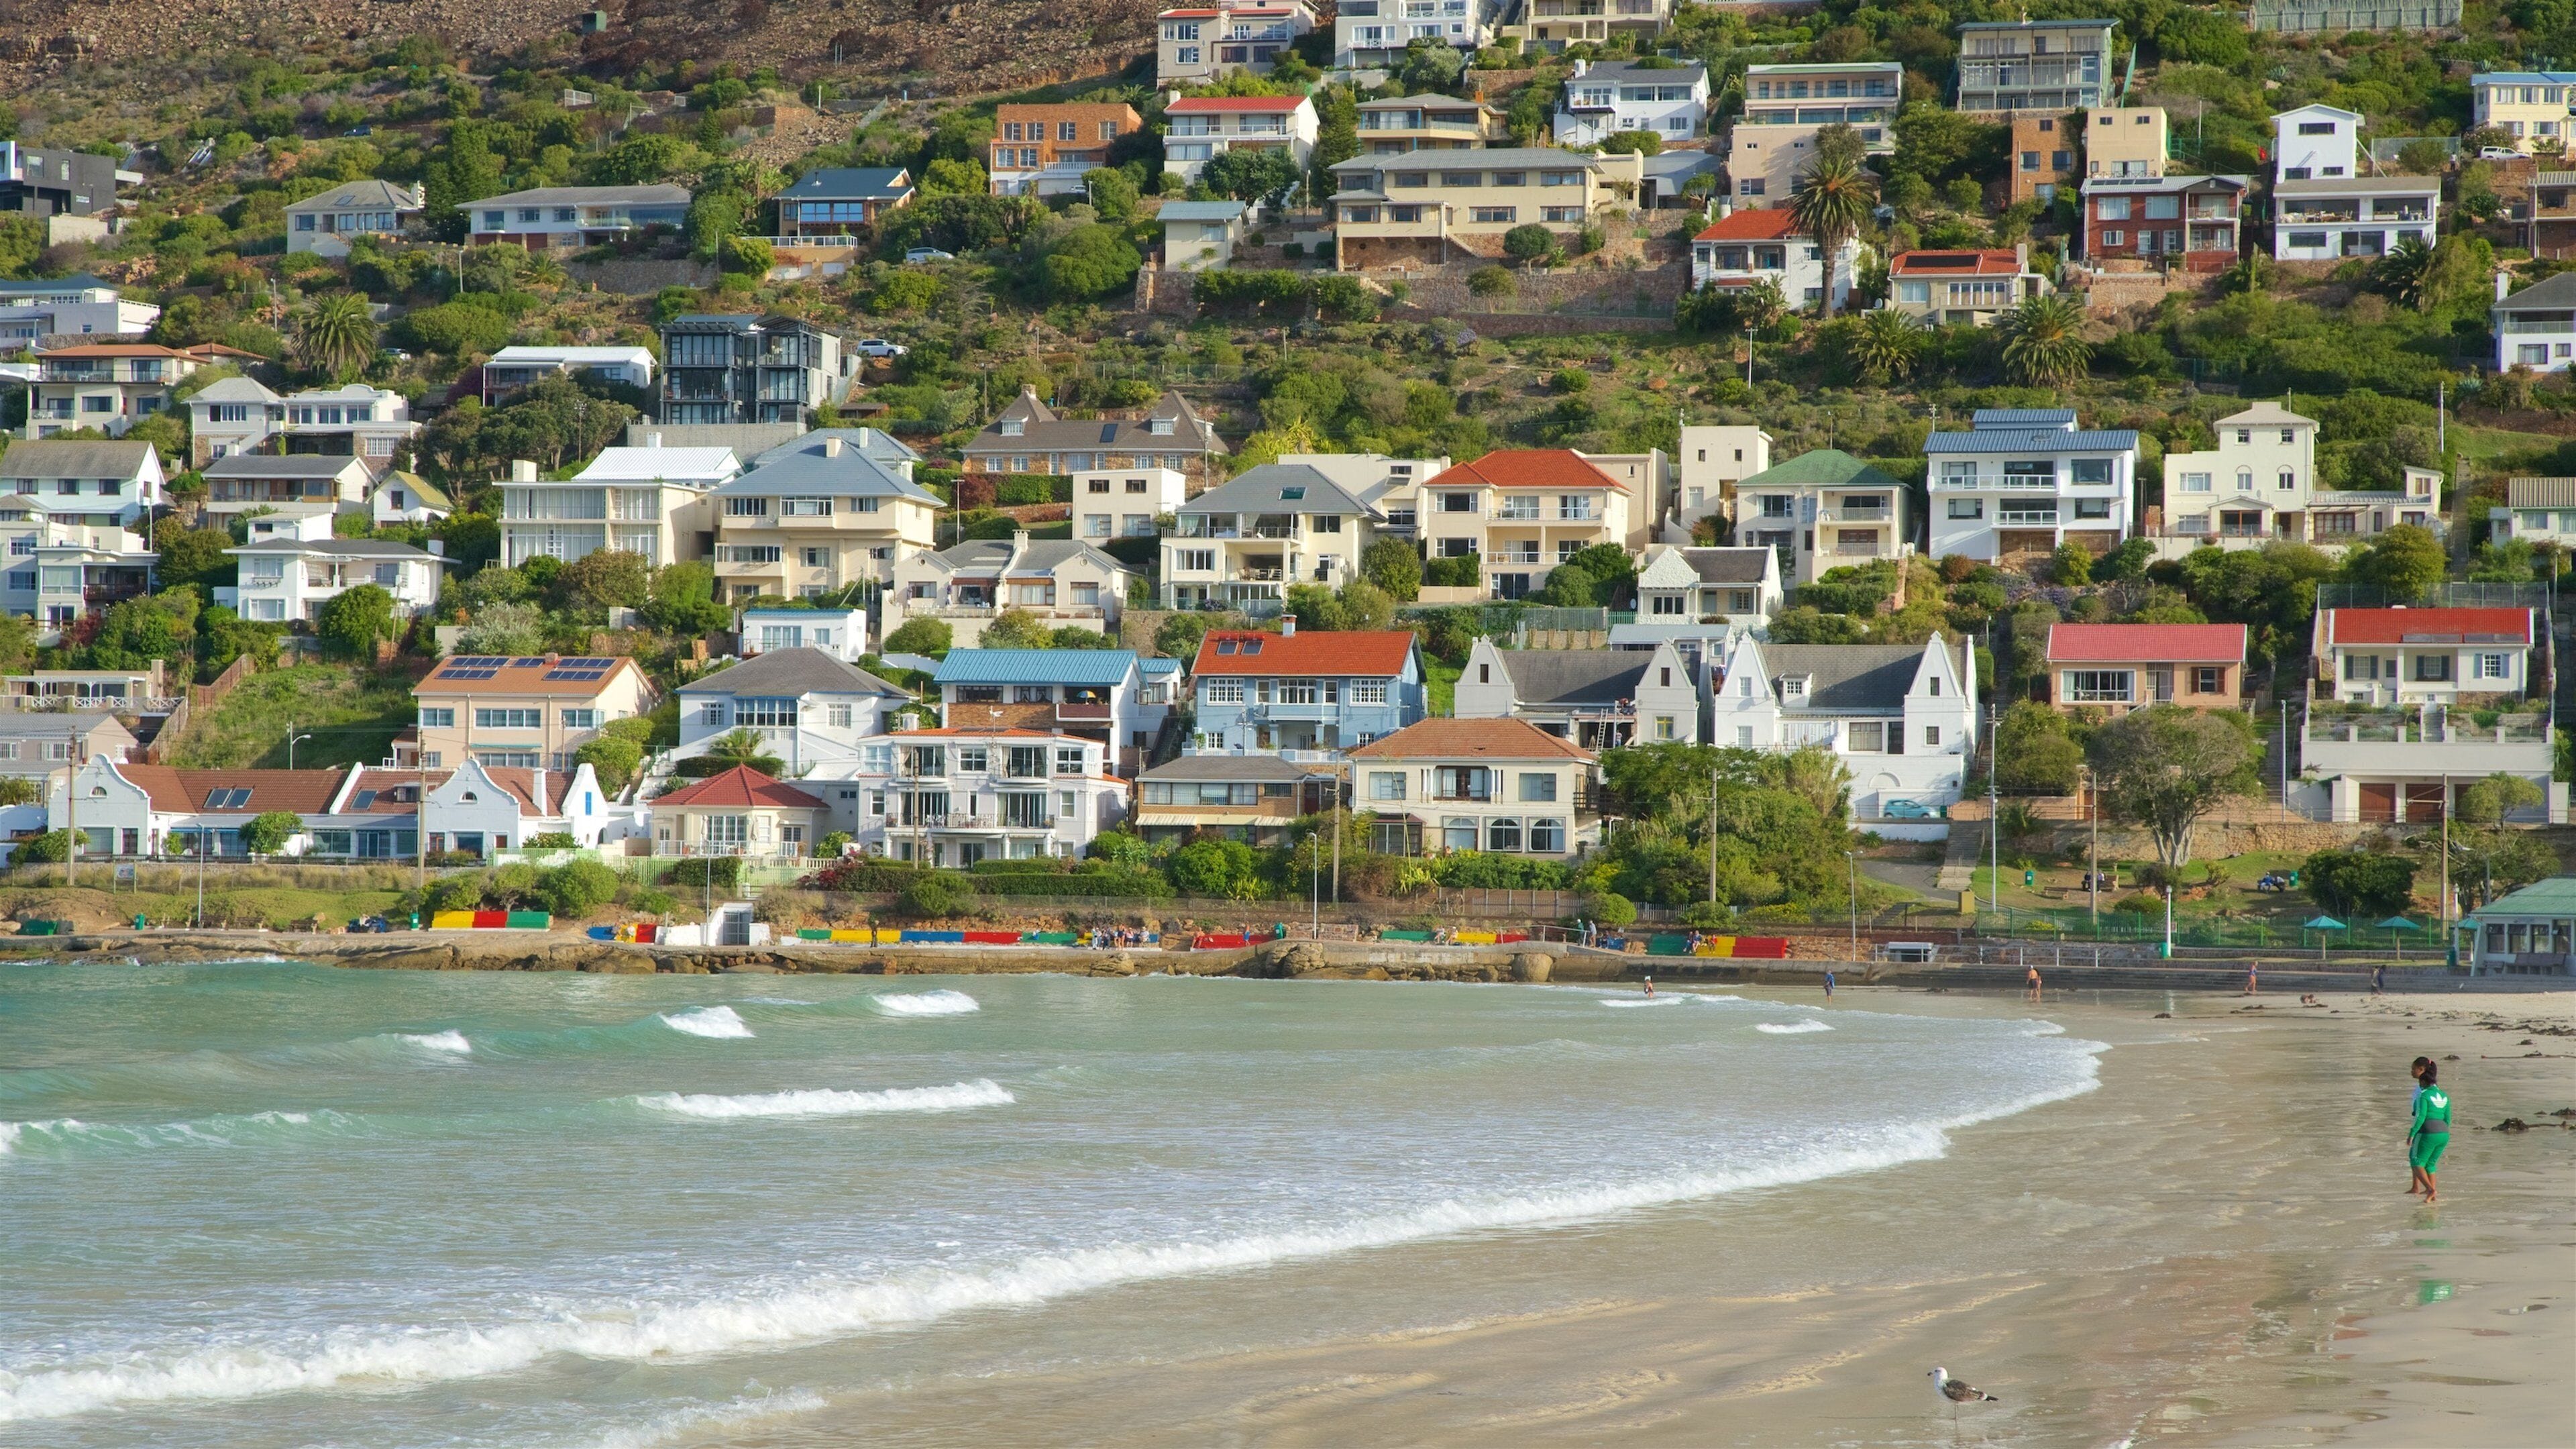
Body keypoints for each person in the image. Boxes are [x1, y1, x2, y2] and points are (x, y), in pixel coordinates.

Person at [2408, 1057, 2452, 1202]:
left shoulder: (2423, 1094)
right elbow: (2448, 1118)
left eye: (2414, 1069)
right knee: (2430, 1163)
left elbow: (2420, 1115)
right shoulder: (2443, 1095)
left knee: (2416, 1160)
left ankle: (2430, 1189)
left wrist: (2412, 1133)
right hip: (2443, 1133)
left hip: (2426, 1130)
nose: (2412, 1072)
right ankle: (2430, 1193)